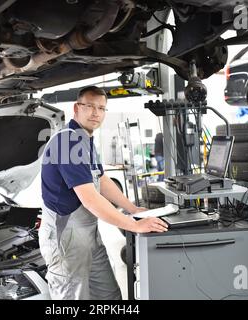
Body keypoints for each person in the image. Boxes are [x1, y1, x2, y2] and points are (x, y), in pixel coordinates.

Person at [39, 86, 168, 300]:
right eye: (89, 106)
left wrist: (133, 208)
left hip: (88, 235)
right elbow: (90, 199)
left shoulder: (85, 139)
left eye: (101, 108)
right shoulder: (67, 141)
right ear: (76, 108)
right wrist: (133, 225)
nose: (96, 113)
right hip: (66, 238)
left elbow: (100, 179)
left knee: (109, 296)